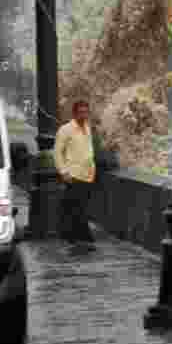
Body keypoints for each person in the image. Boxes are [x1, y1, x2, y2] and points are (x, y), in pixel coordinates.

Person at [54, 99, 96, 243]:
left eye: (86, 112)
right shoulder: (65, 129)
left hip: (88, 174)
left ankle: (72, 235)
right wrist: (63, 172)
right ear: (74, 113)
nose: (83, 115)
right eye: (80, 112)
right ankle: (82, 236)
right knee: (77, 207)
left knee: (78, 206)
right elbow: (57, 153)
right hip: (73, 174)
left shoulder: (88, 127)